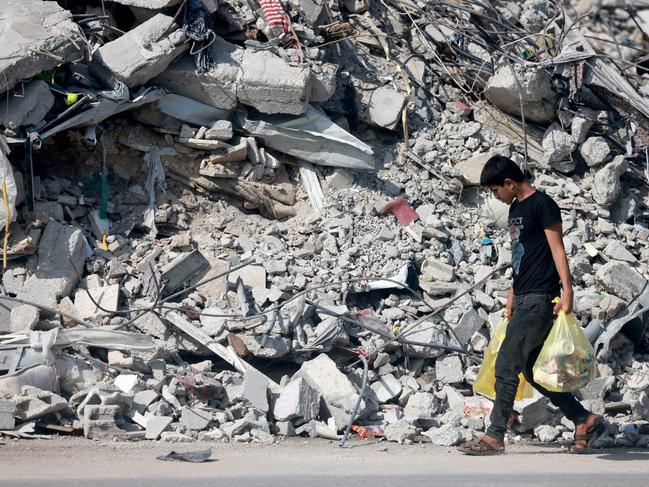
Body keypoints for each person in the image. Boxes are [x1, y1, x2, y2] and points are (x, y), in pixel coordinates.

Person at [458, 156, 605, 455]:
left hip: (540, 299)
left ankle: (494, 435)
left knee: (507, 364)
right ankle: (583, 419)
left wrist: (568, 292)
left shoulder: (543, 205)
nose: (494, 196)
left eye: (495, 190)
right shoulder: (515, 208)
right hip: (523, 297)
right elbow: (520, 256)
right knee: (531, 368)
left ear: (510, 183)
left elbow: (557, 249)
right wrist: (512, 294)